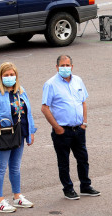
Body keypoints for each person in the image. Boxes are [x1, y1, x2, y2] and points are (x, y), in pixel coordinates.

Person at [41, 55, 99, 200]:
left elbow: (83, 102)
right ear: (57, 67)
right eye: (62, 65)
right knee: (64, 162)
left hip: (78, 129)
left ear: (72, 66)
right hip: (62, 131)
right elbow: (45, 108)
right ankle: (68, 188)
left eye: (68, 65)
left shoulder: (78, 81)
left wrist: (84, 123)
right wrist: (57, 128)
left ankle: (85, 185)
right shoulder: (50, 84)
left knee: (83, 159)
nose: (65, 68)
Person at [0, 62, 37, 213]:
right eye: (6, 75)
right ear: (0, 77)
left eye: (12, 75)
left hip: (19, 133)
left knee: (15, 167)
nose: (9, 77)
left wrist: (31, 132)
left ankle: (17, 196)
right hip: (4, 134)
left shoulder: (21, 91)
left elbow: (28, 112)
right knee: (0, 167)